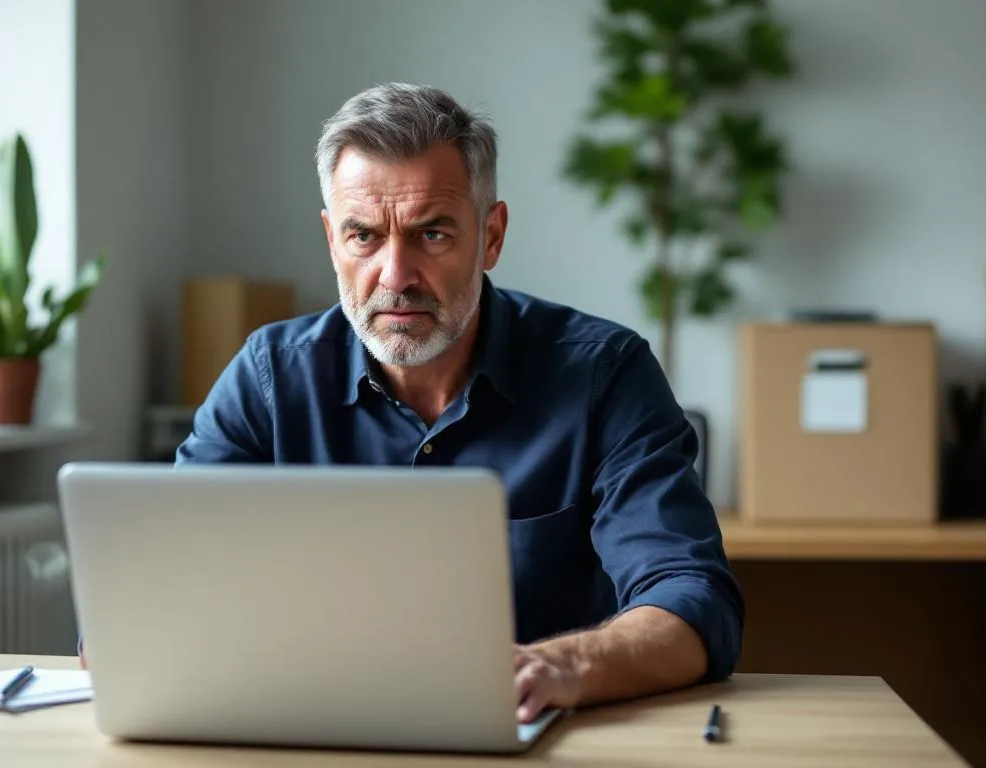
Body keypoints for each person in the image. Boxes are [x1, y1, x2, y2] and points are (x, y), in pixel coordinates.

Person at [90, 82, 744, 723]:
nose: (395, 276)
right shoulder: (270, 379)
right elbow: (154, 598)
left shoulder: (605, 374)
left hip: (540, 741)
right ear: (331, 240)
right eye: (364, 236)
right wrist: (131, 629)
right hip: (309, 735)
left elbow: (694, 602)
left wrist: (565, 666)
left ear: (491, 236)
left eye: (431, 235)